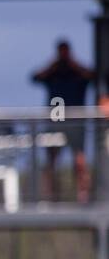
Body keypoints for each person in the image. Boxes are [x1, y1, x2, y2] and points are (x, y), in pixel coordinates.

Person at [31, 40, 95, 203]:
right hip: (55, 119)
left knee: (79, 159)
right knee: (52, 160)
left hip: (75, 120)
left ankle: (83, 196)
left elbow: (91, 76)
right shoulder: (53, 71)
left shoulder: (77, 71)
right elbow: (35, 77)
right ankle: (50, 198)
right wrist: (54, 64)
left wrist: (72, 63)